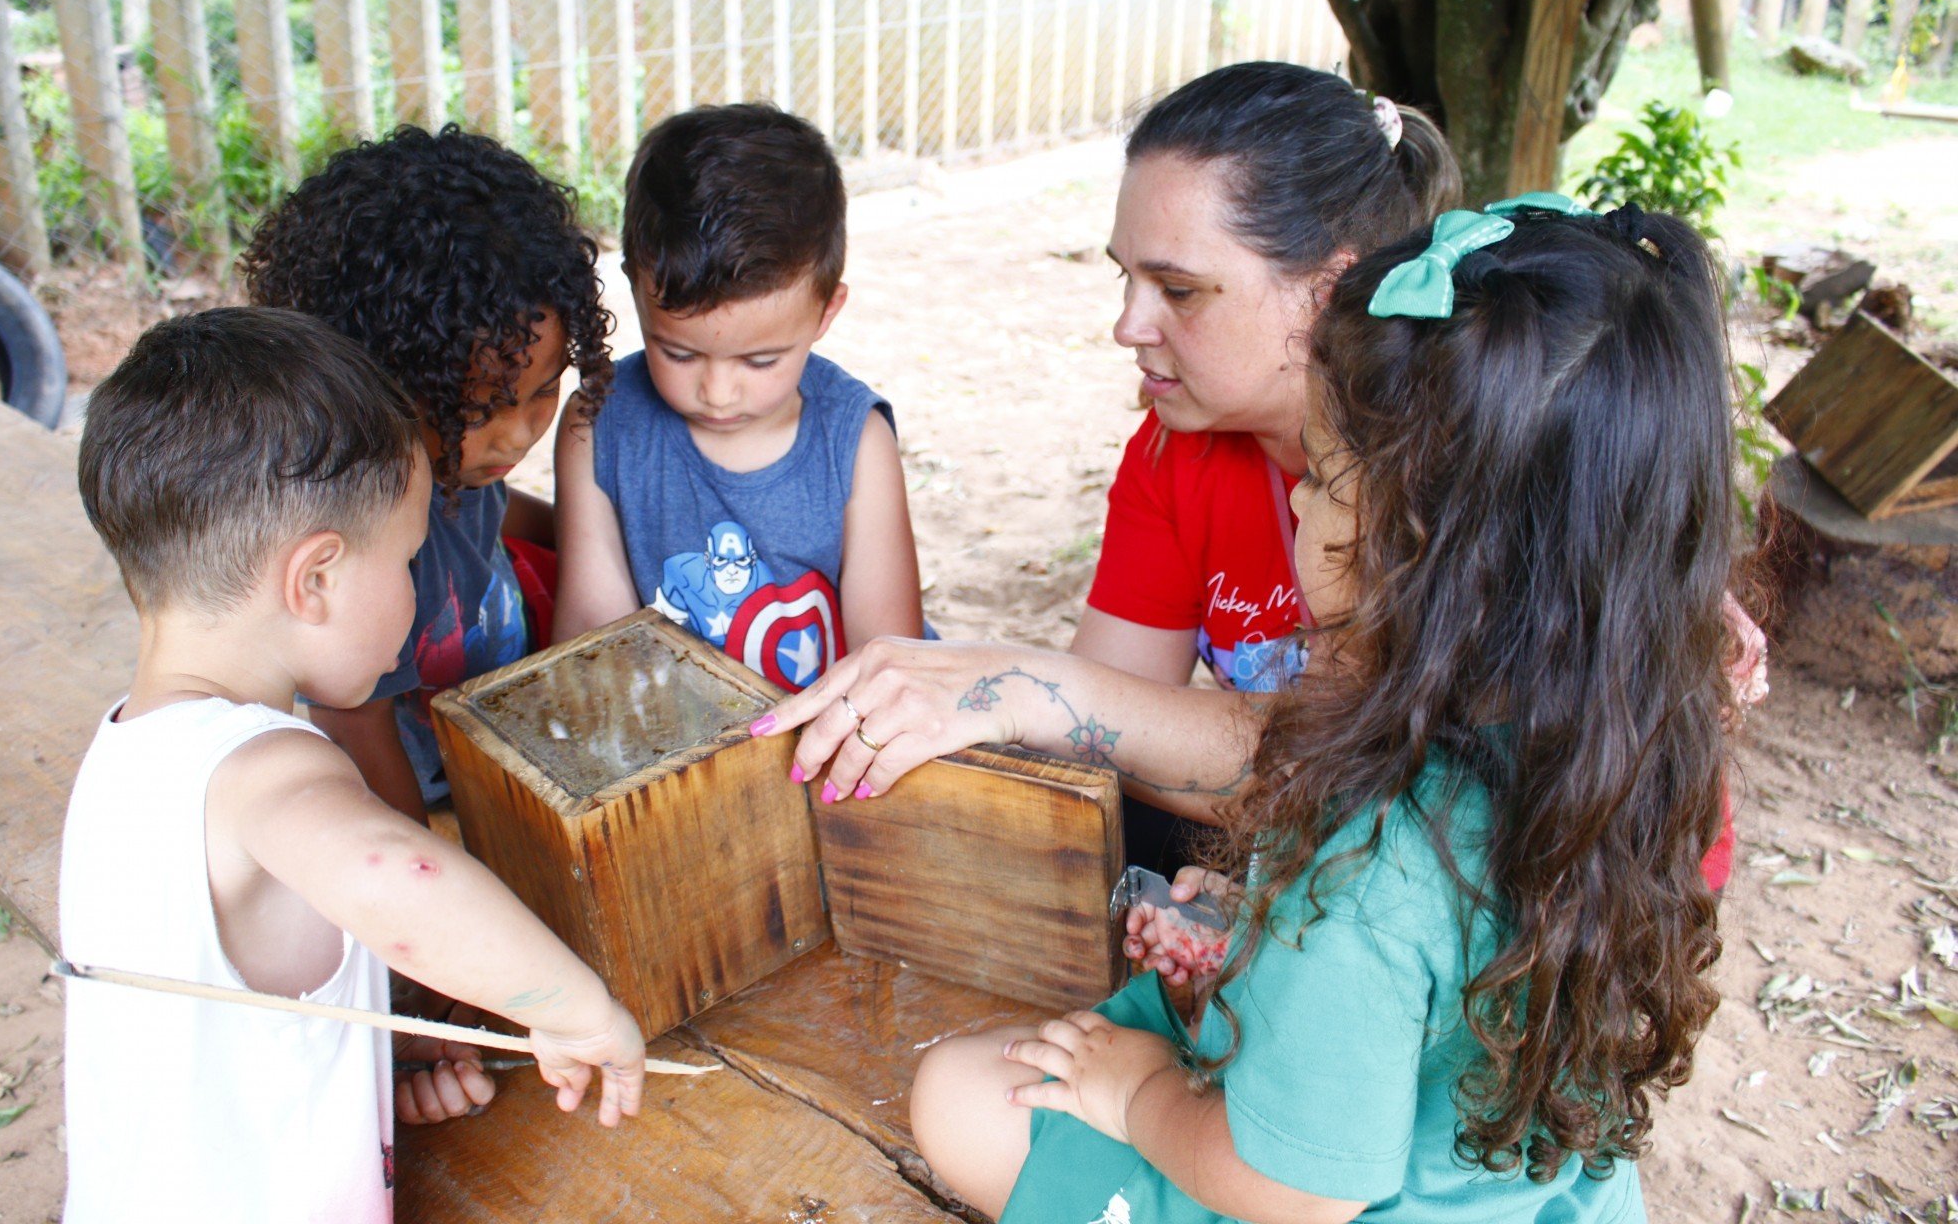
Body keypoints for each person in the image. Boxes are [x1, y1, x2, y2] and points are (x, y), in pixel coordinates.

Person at [906, 199, 1734, 1224]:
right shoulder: (1647, 730)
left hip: (1312, 1190)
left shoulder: (1377, 863)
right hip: (1531, 1192)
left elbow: (1294, 1189)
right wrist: (1262, 933)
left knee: (955, 1093)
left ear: (1439, 562)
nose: (1298, 501)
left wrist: (1140, 1091)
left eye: (1330, 481)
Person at [753, 64, 1761, 880]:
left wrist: (1032, 688)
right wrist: (1010, 698)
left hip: (1521, 869)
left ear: (1329, 291)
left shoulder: (1450, 461)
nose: (1128, 326)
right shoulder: (1176, 447)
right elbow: (1111, 731)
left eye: (1179, 289)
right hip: (1359, 829)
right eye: (1126, 277)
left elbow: (1361, 763)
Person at [62, 309, 643, 1222]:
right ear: (316, 580)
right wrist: (575, 1009)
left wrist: (377, 1041)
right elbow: (395, 873)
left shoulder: (123, 755)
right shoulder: (269, 765)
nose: (416, 590)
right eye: (410, 558)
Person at [241, 125, 614, 823]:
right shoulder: (359, 537)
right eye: (484, 409)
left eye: (543, 391)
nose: (520, 431)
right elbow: (356, 729)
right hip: (434, 803)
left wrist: (594, 544)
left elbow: (497, 511)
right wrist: (432, 864)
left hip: (501, 767)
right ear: (379, 382)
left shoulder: (457, 465)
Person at [554, 104, 924, 694]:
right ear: (635, 289)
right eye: (678, 353)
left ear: (826, 311)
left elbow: (887, 662)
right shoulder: (597, 426)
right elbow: (593, 639)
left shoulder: (854, 442)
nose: (717, 393)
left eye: (761, 361)